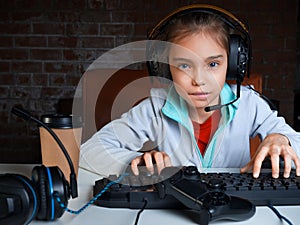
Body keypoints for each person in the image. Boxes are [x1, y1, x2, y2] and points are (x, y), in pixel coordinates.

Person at [79, 5, 300, 179]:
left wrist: (281, 140)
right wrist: (134, 161)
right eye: (184, 65)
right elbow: (88, 152)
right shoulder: (156, 108)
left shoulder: (249, 104)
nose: (199, 80)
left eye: (212, 64)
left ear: (233, 64)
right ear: (165, 68)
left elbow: (295, 144)